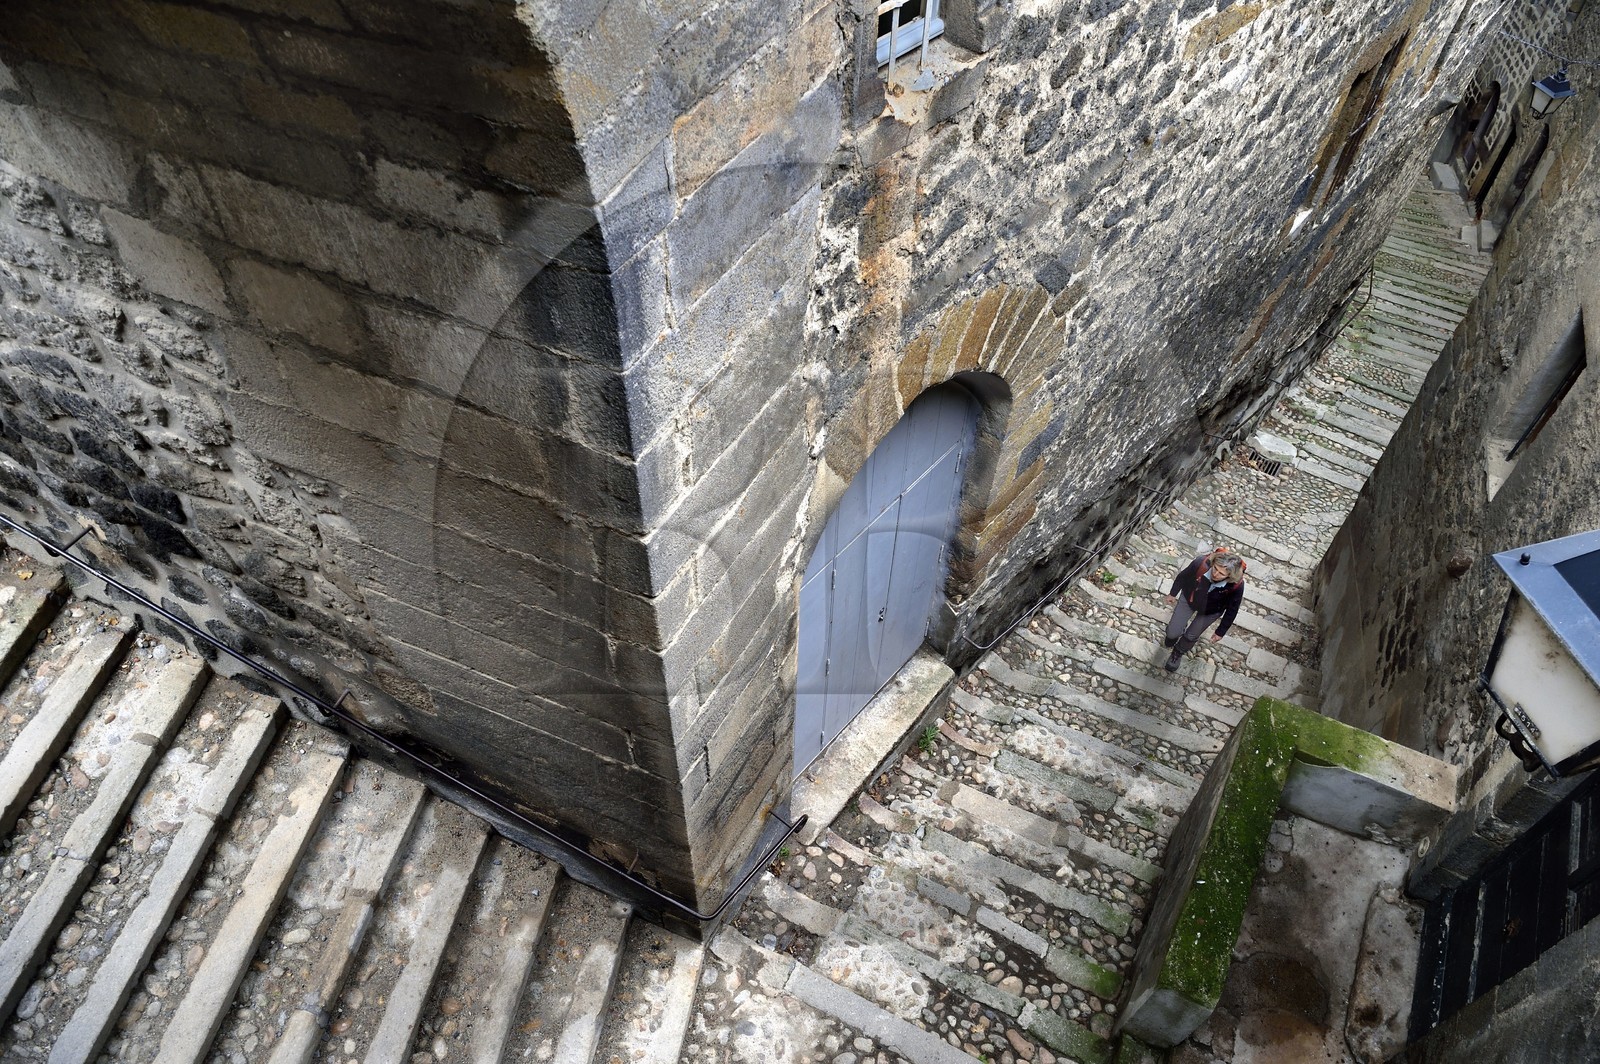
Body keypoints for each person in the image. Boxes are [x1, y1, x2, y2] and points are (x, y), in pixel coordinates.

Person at [1162, 548, 1246, 672]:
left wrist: (1220, 631)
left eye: (1221, 574)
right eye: (1215, 569)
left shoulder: (1237, 585)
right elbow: (1183, 576)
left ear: (1230, 576)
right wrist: (1173, 593)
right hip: (1189, 599)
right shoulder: (1200, 563)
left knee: (1191, 636)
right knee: (1172, 632)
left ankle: (1178, 652)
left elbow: (1232, 609)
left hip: (1210, 611)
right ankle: (1173, 635)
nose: (1215, 574)